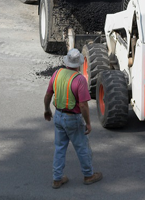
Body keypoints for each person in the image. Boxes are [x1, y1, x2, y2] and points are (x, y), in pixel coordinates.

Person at [44, 48, 103, 189]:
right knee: (82, 148)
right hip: (72, 119)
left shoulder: (57, 73)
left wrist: (47, 110)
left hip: (58, 116)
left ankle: (57, 179)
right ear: (79, 64)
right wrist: (88, 123)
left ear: (66, 62)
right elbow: (83, 105)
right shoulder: (79, 79)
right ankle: (88, 175)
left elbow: (48, 95)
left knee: (59, 148)